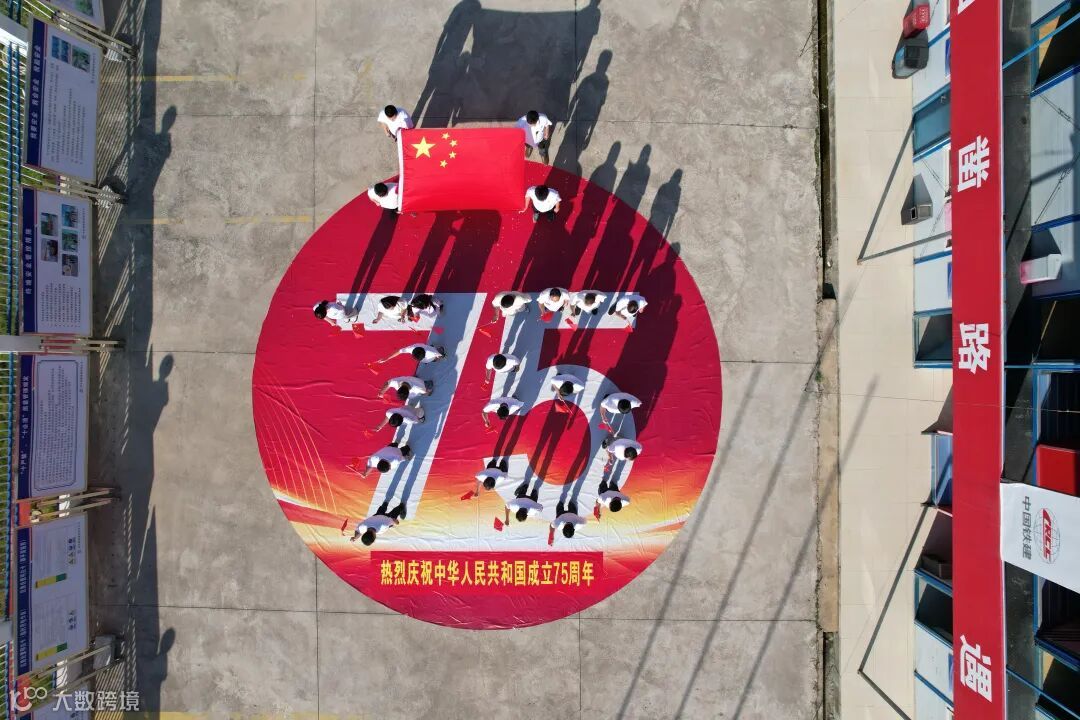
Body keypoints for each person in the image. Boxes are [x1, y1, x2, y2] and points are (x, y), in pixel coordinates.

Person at [373, 343, 446, 365]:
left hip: (425, 361)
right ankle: (434, 359)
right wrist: (440, 355)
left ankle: (433, 360)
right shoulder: (432, 351)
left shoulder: (411, 348)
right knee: (439, 353)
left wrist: (387, 358)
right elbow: (441, 355)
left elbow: (399, 351)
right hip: (431, 357)